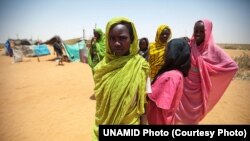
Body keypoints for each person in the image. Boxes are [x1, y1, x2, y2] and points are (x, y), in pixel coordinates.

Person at [92, 17, 150, 140]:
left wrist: (144, 123)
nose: (117, 43)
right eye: (112, 38)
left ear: (132, 39)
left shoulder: (141, 66)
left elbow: (144, 99)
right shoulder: (101, 69)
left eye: (122, 38)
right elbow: (101, 105)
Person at [174, 19, 238, 124]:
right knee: (177, 116)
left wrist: (210, 71)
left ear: (207, 32)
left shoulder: (214, 50)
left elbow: (232, 66)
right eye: (196, 30)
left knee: (193, 119)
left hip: (198, 93)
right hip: (184, 91)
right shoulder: (189, 45)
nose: (198, 34)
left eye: (201, 31)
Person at [147, 38, 191, 124]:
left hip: (159, 120)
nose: (165, 53)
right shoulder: (177, 73)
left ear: (174, 53)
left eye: (167, 50)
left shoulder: (170, 77)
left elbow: (157, 99)